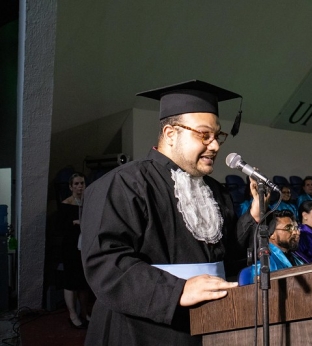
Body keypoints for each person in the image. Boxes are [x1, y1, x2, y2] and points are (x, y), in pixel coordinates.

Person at [80, 80, 256, 346]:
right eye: (203, 134)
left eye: (217, 136)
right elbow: (105, 263)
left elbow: (225, 257)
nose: (215, 145)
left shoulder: (215, 191)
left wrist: (253, 217)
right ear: (170, 133)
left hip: (208, 326)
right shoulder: (123, 184)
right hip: (140, 330)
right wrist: (177, 290)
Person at [59, 172, 91, 329]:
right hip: (70, 247)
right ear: (71, 186)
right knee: (71, 281)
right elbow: (62, 227)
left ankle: (84, 312)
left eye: (82, 183)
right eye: (76, 184)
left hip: (83, 246)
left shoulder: (87, 202)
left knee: (83, 281)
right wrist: (76, 222)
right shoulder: (66, 204)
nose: (79, 186)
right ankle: (72, 314)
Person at [242, 210, 306, 285]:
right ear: (271, 234)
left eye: (296, 228)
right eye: (289, 228)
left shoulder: (296, 258)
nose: (297, 232)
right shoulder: (263, 263)